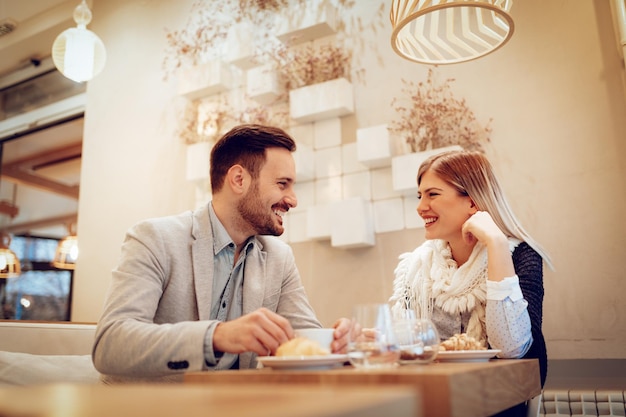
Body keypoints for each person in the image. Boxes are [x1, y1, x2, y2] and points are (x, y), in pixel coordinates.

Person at [93, 124, 350, 383]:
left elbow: (304, 339)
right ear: (239, 179)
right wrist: (217, 336)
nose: (293, 199)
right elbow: (110, 345)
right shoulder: (155, 238)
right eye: (282, 184)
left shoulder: (279, 257)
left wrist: (340, 343)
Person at [389, 150, 552, 417]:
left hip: (495, 400)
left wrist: (497, 244)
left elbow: (512, 348)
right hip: (428, 398)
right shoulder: (415, 267)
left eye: (433, 194)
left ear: (473, 203)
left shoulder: (521, 255)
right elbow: (404, 346)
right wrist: (383, 339)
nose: (420, 207)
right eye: (420, 196)